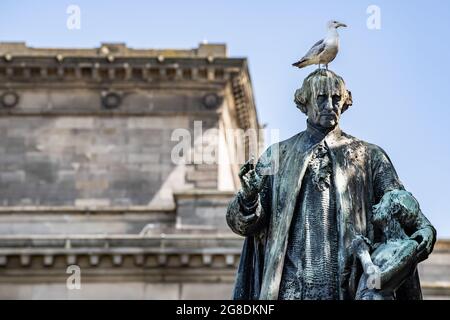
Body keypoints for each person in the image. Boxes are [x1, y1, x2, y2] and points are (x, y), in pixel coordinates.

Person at [226, 69, 436, 300]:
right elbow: (242, 226)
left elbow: (405, 211)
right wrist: (248, 198)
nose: (329, 104)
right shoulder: (277, 156)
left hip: (349, 286)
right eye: (321, 97)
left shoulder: (369, 156)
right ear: (304, 101)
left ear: (345, 102)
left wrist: (419, 238)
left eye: (336, 98)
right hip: (290, 289)